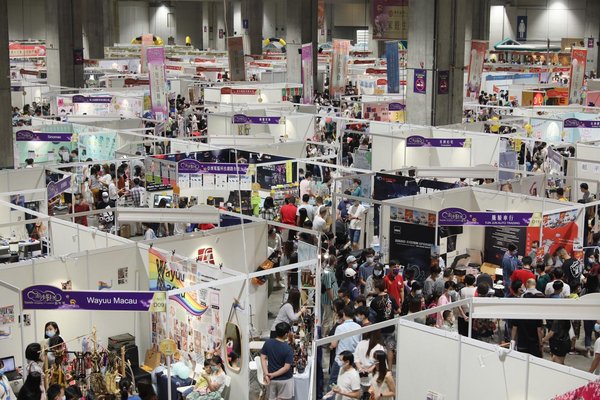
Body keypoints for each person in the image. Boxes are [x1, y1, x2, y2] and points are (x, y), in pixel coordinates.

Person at [329, 306, 361, 389]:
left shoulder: (339, 328)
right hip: (353, 359)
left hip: (341, 360)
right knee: (350, 384)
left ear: (343, 314)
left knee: (333, 383)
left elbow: (334, 344)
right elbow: (360, 343)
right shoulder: (358, 327)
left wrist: (331, 345)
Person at [260, 322, 295, 400]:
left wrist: (267, 374)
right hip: (284, 380)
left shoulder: (268, 343)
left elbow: (262, 358)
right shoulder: (288, 348)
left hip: (271, 380)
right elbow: (286, 368)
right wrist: (273, 375)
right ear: (286, 334)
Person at [369, 279, 398, 371]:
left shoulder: (374, 301)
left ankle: (380, 369)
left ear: (377, 288)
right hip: (390, 327)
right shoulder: (391, 298)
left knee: (379, 349)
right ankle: (389, 369)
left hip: (379, 328)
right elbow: (398, 310)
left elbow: (372, 315)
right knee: (390, 348)